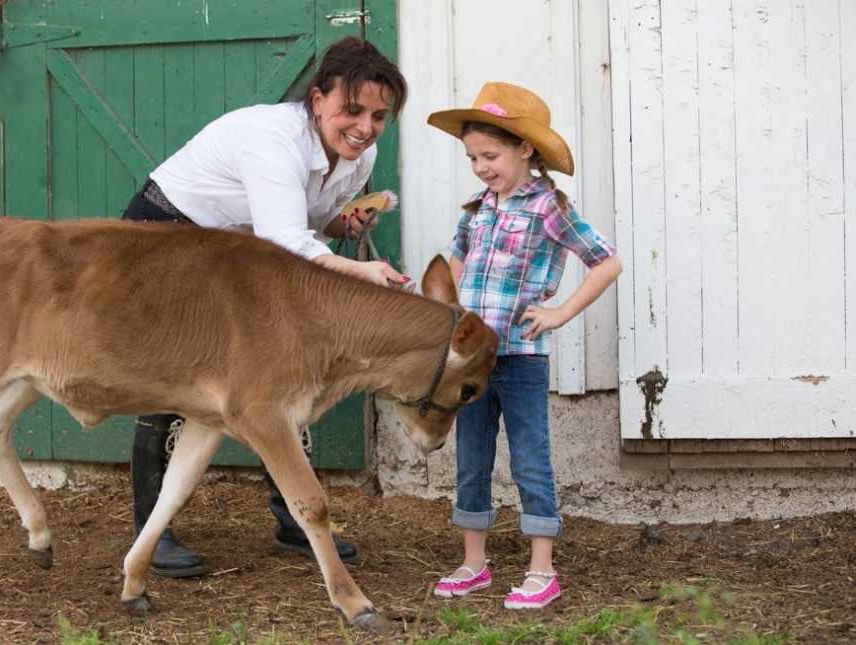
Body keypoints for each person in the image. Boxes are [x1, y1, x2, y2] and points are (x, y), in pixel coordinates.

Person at [122, 36, 408, 578]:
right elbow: (286, 240)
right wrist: (361, 272)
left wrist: (340, 225)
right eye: (352, 110)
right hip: (166, 235)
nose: (365, 127)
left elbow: (307, 222)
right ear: (318, 98)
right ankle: (150, 532)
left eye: (378, 115)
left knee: (278, 375)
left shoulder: (357, 152)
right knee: (167, 380)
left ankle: (295, 520)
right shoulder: (271, 138)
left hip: (235, 248)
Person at [426, 82, 622, 609]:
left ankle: (542, 569)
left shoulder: (548, 207)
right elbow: (456, 262)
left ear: (525, 149)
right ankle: (474, 564)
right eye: (472, 157)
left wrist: (560, 311)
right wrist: (443, 312)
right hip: (471, 362)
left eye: (490, 155)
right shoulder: (477, 209)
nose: (480, 166)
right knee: (471, 457)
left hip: (519, 359)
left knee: (530, 460)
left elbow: (606, 261)